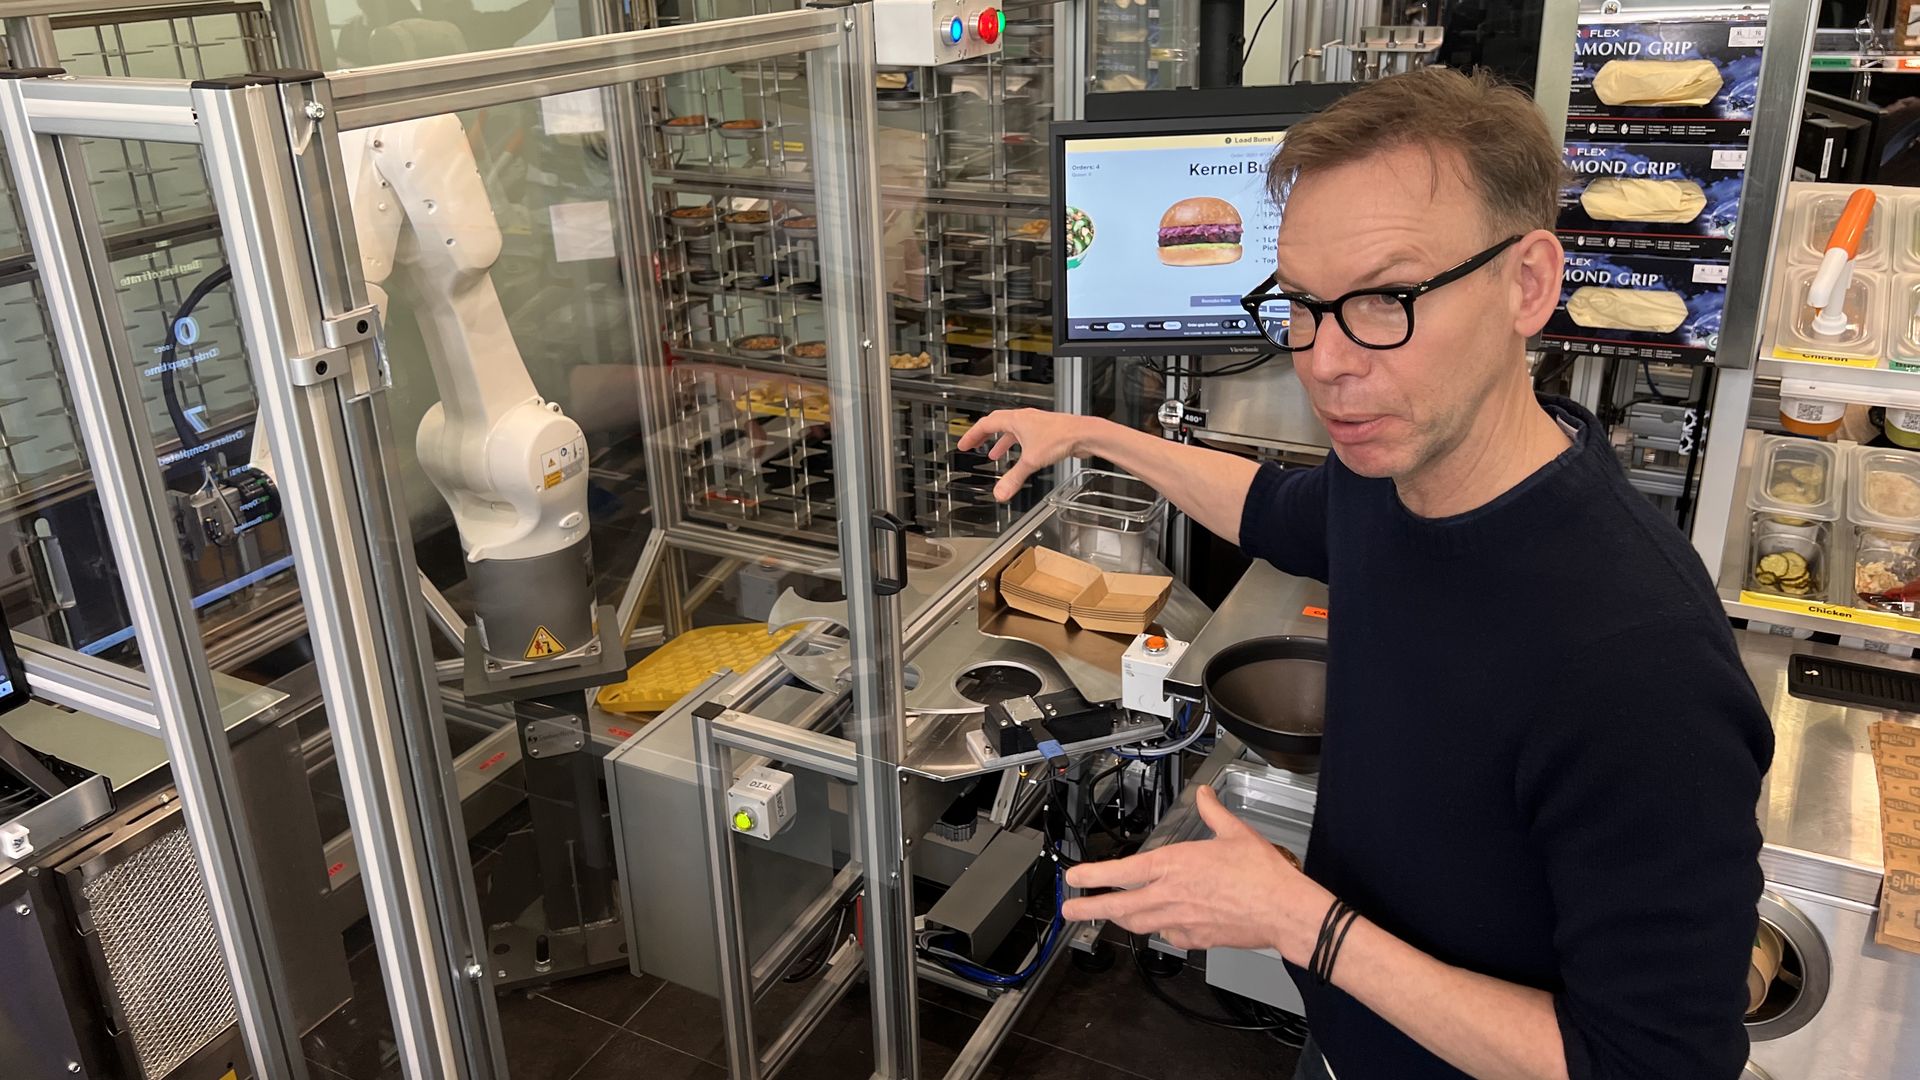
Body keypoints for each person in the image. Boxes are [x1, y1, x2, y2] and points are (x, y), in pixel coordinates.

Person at [958, 68, 1772, 1080]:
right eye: (1302, 304)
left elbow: (1654, 1064)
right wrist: (1090, 433)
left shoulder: (1636, 662)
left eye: (1386, 299)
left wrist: (1305, 924)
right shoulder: (1394, 476)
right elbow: (1264, 507)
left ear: (1528, 283)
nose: (1328, 364)